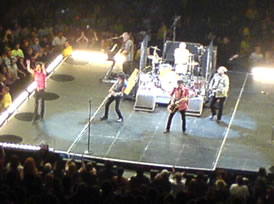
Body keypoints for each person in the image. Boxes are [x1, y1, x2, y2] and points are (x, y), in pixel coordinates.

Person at [26, 59, 46, 123]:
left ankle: (41, 116)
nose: (38, 68)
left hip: (42, 90)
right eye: (37, 67)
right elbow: (29, 70)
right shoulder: (35, 73)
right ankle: (34, 117)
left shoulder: (43, 73)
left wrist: (43, 67)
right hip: (37, 90)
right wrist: (28, 64)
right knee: (36, 104)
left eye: (39, 67)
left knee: (42, 103)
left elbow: (45, 72)